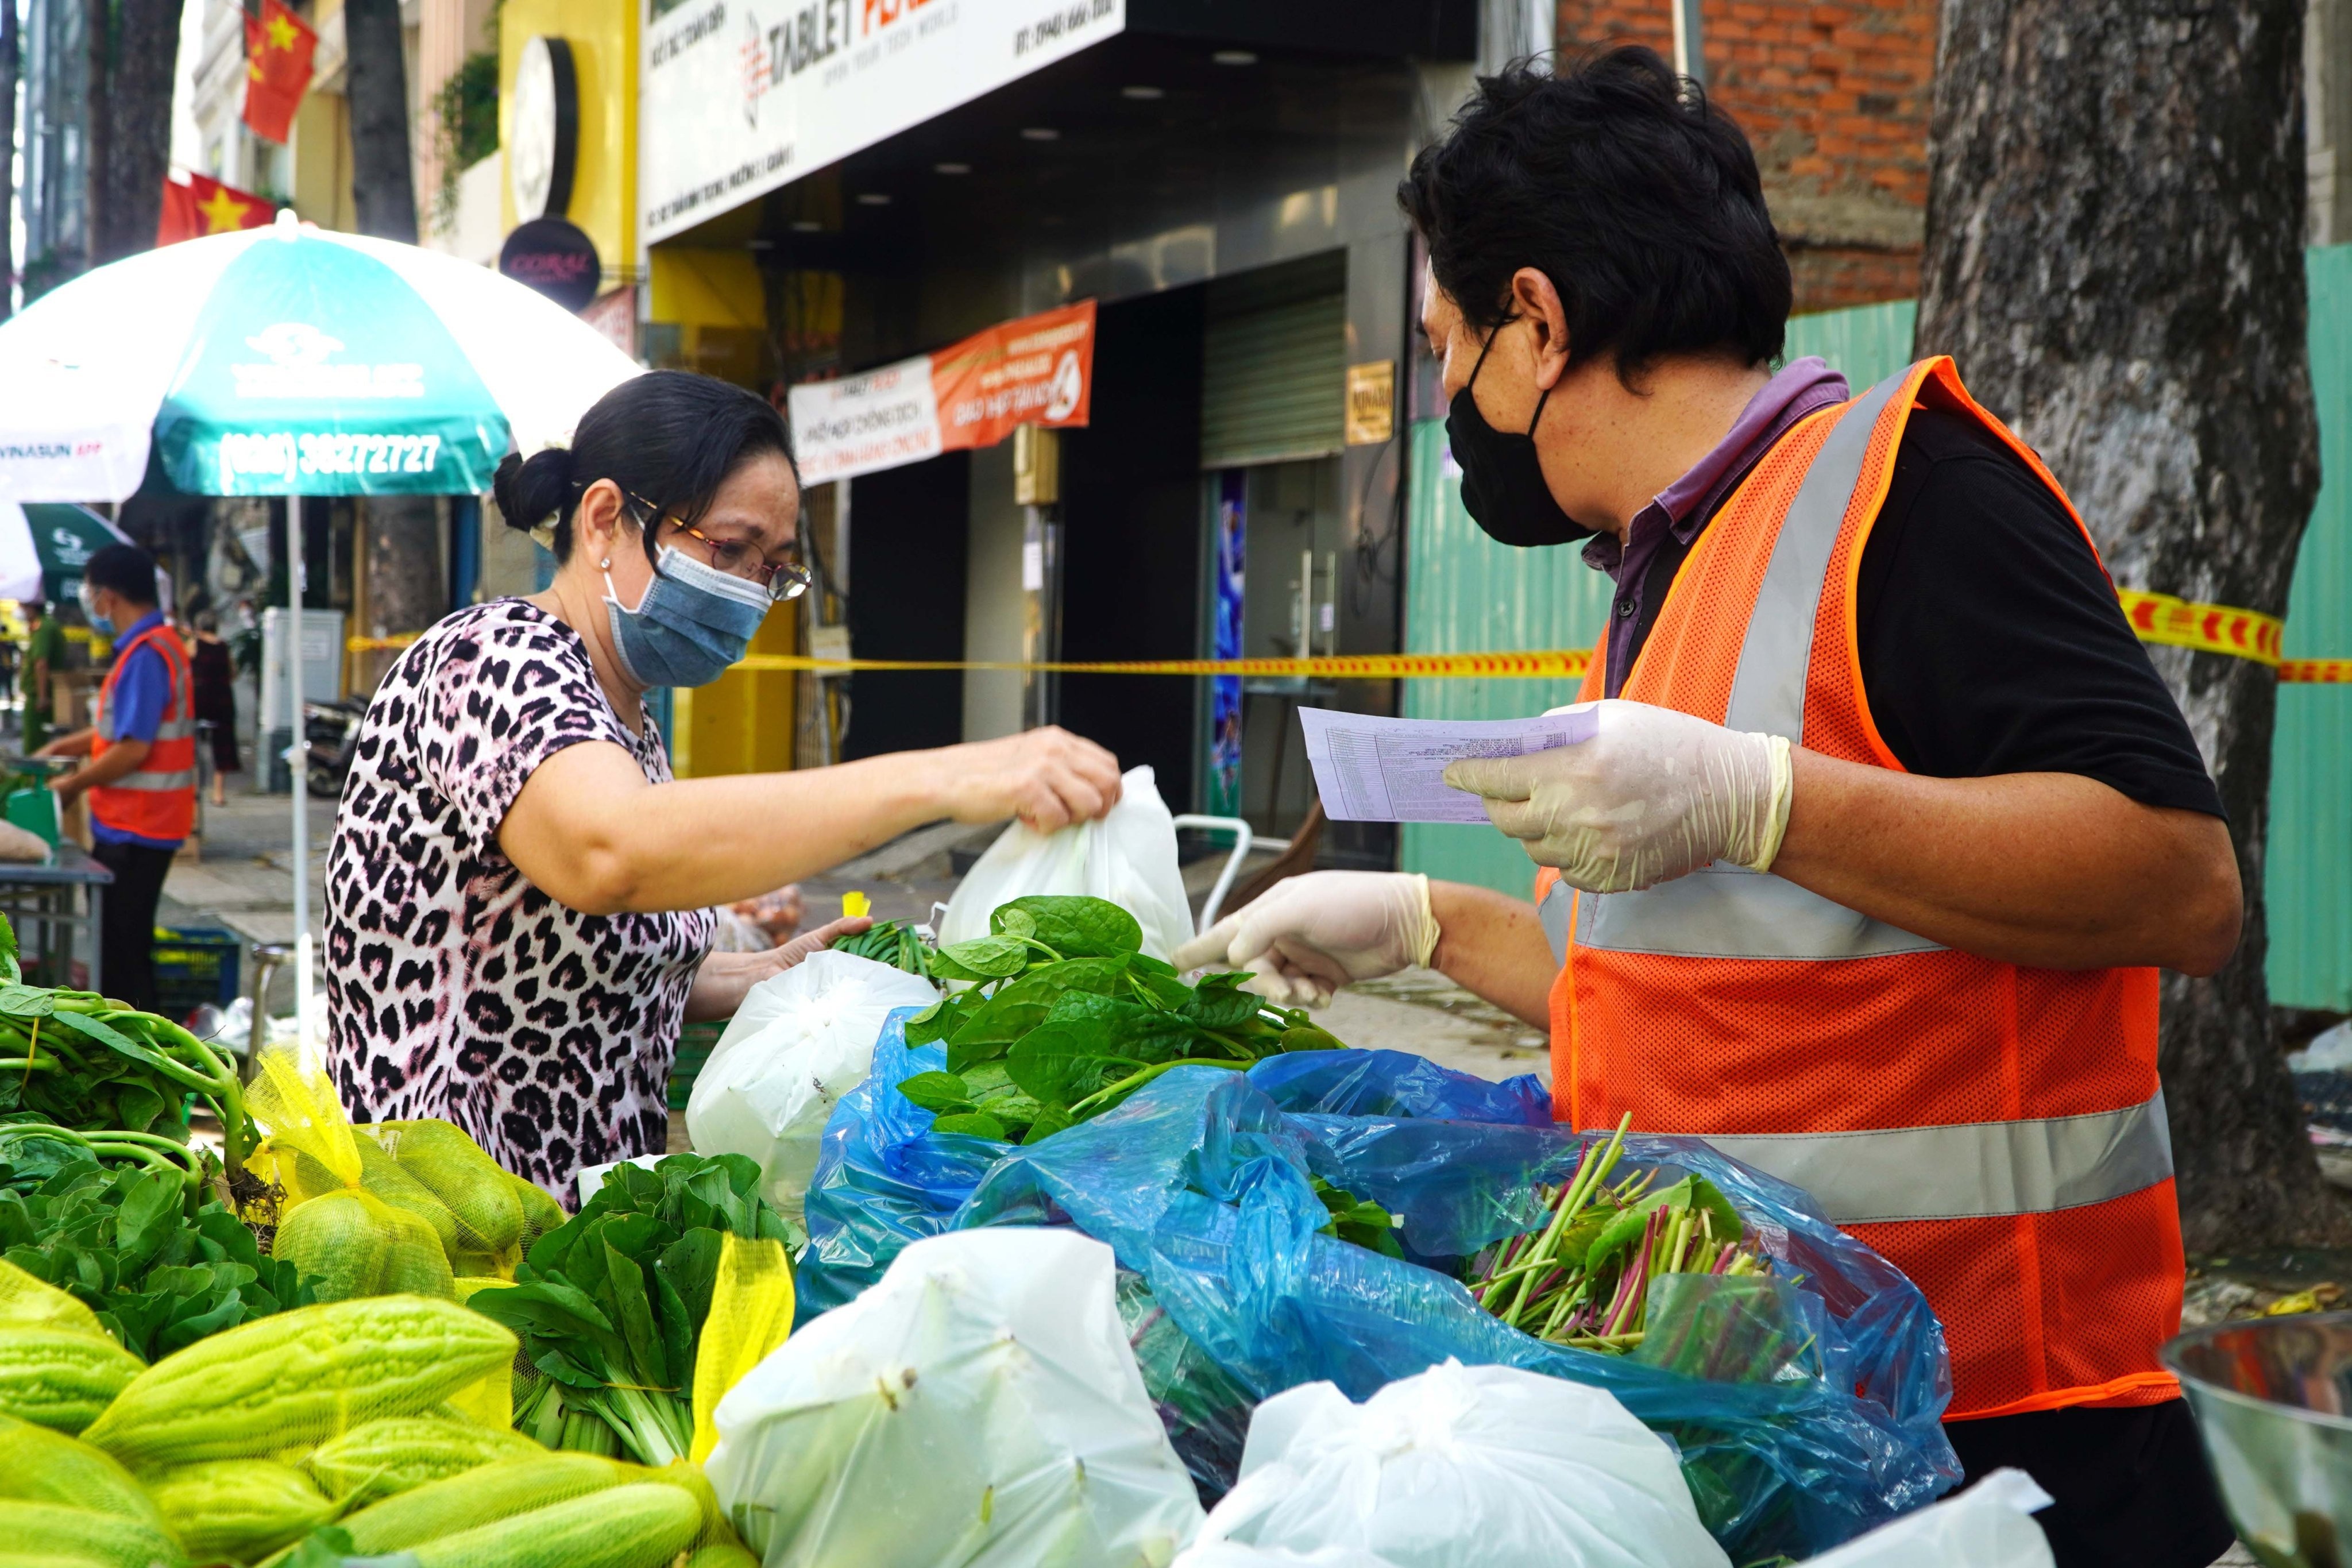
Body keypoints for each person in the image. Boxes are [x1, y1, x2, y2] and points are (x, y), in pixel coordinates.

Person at [1176, 51, 2241, 1568]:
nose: (1446, 400)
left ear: (1536, 323)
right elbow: (1691, 994)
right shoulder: (1665, 573)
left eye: (1445, 348)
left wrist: (1757, 799)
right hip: (1776, 1413)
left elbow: (2179, 885)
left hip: (2000, 1442)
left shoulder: (1910, 492)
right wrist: (1422, 924)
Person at [323, 370, 1123, 1202]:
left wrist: (762, 974)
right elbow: (611, 852)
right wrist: (944, 777)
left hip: (567, 1218)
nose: (750, 589)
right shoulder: (492, 658)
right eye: (731, 549)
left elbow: (580, 964)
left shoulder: (620, 715)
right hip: (440, 1217)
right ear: (605, 519)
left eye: (773, 567)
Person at [36, 547, 196, 1014]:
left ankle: (139, 1049)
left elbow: (133, 749)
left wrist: (72, 786)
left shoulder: (146, 655)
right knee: (126, 949)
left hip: (136, 828)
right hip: (143, 826)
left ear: (107, 597)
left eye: (90, 593)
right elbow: (118, 730)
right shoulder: (157, 645)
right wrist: (63, 748)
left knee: (123, 961)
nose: (91, 603)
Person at [186, 609, 238, 805]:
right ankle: (219, 794)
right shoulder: (224, 646)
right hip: (222, 701)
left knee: (190, 744)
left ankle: (193, 789)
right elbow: (233, 673)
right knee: (222, 747)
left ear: (198, 627)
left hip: (199, 700)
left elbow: (182, 667)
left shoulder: (194, 644)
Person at [18, 599, 60, 754]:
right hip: (45, 695)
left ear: (32, 608)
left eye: (22, 606)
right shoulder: (47, 625)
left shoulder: (42, 628)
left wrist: (42, 697)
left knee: (34, 749)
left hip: (39, 698)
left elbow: (41, 663)